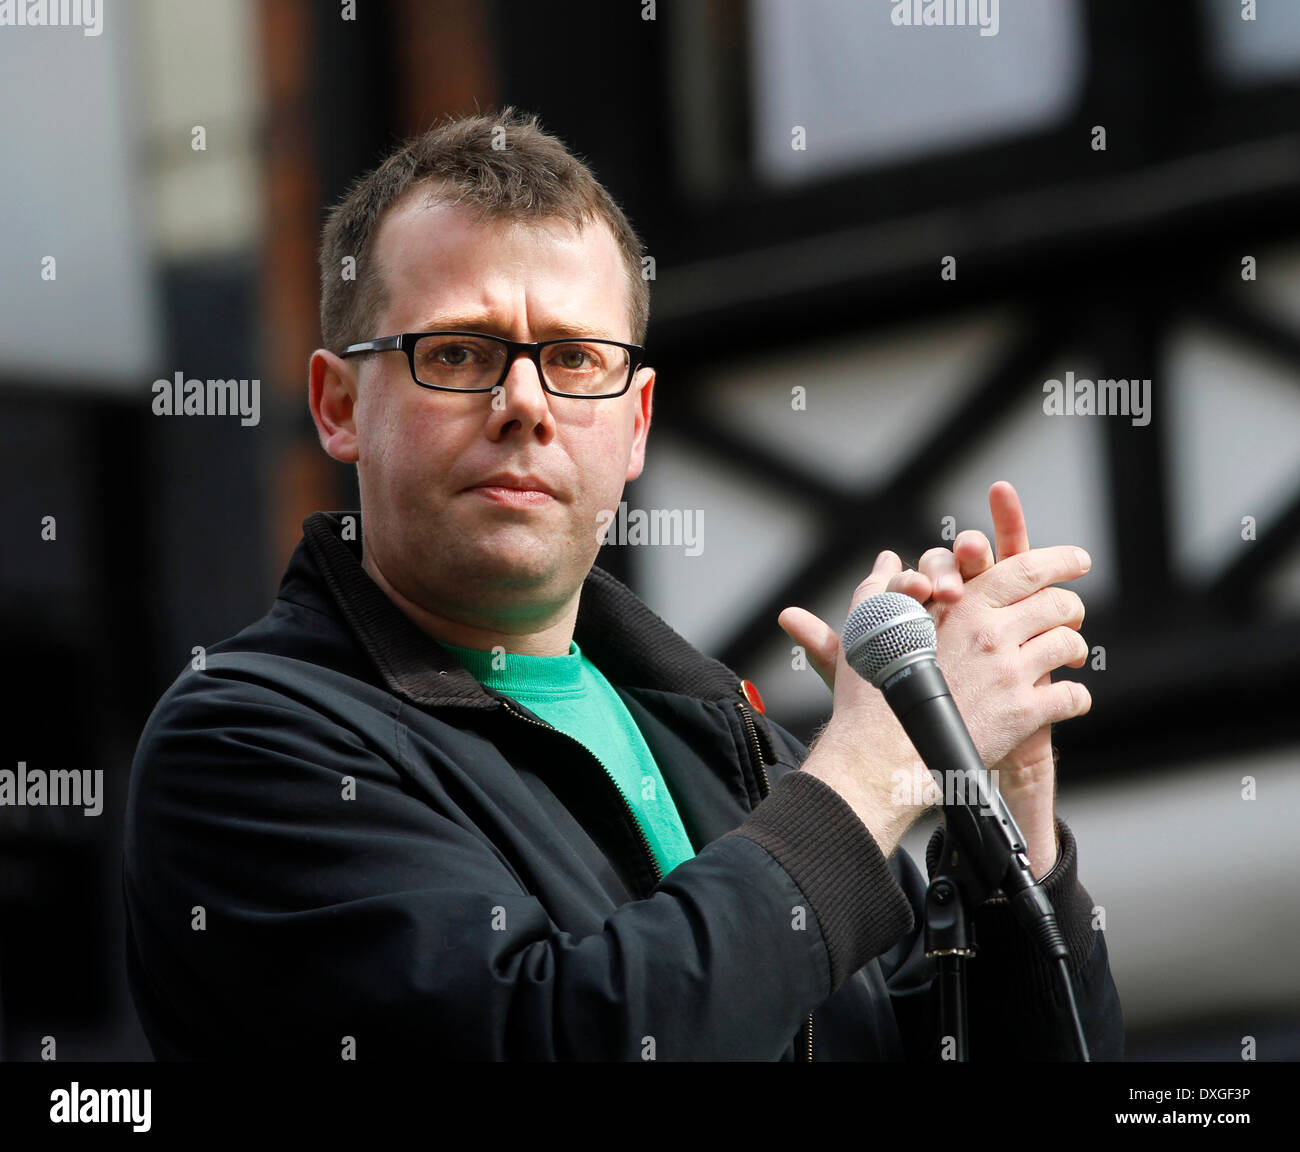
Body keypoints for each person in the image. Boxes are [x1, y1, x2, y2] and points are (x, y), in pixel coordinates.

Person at [123, 108, 1123, 1061]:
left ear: (636, 422)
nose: (525, 404)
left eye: (572, 359)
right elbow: (563, 1042)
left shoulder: (738, 756)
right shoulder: (246, 742)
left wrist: (1007, 818)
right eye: (461, 352)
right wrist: (868, 772)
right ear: (339, 406)